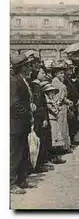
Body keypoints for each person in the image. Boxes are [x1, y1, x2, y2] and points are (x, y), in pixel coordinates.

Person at [10, 54, 36, 194]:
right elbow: (13, 103)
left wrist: (30, 106)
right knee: (15, 153)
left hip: (22, 123)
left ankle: (21, 180)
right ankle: (11, 183)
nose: (29, 67)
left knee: (22, 152)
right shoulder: (14, 81)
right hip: (15, 123)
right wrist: (27, 112)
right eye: (27, 65)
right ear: (22, 67)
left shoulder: (22, 80)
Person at [50, 60, 73, 153]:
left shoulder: (58, 81)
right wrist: (67, 102)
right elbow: (59, 98)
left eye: (63, 73)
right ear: (55, 73)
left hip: (63, 106)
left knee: (63, 126)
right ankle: (61, 147)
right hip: (60, 107)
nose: (62, 75)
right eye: (60, 73)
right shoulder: (56, 83)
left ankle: (64, 146)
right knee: (61, 126)